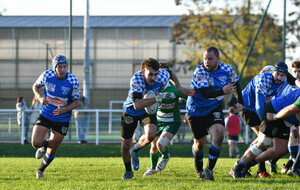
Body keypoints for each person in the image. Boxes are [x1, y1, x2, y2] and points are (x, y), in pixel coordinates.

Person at [120, 58, 193, 180]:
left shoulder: (162, 75)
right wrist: (156, 99)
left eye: (156, 74)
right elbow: (137, 105)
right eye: (150, 74)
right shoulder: (136, 80)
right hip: (131, 112)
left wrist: (179, 87)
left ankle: (136, 150)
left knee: (151, 135)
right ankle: (128, 171)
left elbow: (172, 74)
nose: (153, 78)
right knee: (125, 144)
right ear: (143, 72)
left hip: (147, 111)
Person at [185, 47, 244, 181]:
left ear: (218, 59)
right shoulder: (200, 71)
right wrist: (223, 91)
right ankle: (199, 170)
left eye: (210, 59)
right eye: (205, 58)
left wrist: (240, 101)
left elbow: (236, 84)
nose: (207, 62)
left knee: (219, 134)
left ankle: (209, 170)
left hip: (214, 108)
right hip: (196, 110)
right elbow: (205, 93)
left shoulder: (227, 69)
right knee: (199, 144)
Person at [240, 61, 298, 177]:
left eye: (282, 75)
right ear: (272, 73)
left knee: (263, 140)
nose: (279, 77)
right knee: (262, 139)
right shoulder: (263, 80)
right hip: (248, 108)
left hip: (263, 108)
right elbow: (259, 106)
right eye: (276, 74)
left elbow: (294, 83)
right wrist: (265, 123)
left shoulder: (285, 79)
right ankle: (252, 169)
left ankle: (252, 168)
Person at [230, 88, 300, 179]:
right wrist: (275, 116)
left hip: (288, 119)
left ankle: (247, 165)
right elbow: (290, 109)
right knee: (263, 143)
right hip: (275, 111)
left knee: (280, 150)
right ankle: (237, 168)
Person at [31, 55, 80, 179]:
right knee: (35, 143)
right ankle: (43, 145)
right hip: (46, 113)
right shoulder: (47, 76)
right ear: (55, 68)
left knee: (52, 149)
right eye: (60, 67)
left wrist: (65, 110)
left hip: (62, 118)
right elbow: (35, 86)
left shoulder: (73, 80)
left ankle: (40, 171)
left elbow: (76, 102)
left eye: (65, 67)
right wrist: (40, 98)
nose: (63, 70)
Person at [143, 62, 188, 177]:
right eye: (159, 73)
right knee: (153, 146)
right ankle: (153, 169)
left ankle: (165, 156)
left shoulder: (174, 88)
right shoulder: (151, 87)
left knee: (161, 144)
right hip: (157, 121)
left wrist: (189, 113)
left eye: (164, 73)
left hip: (172, 122)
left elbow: (191, 98)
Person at [266, 61, 300, 174]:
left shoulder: (296, 83)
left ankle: (291, 165)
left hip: (293, 116)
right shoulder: (288, 84)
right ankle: (290, 165)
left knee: (292, 138)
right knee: (271, 143)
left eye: (299, 72)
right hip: (283, 114)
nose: (297, 74)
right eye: (295, 72)